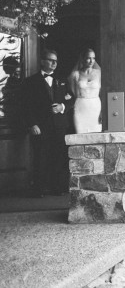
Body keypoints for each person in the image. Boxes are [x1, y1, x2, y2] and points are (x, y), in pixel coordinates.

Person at [20, 48, 72, 197]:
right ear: (42, 61)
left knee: (58, 156)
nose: (54, 63)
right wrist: (32, 124)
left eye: (56, 61)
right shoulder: (30, 82)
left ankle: (57, 187)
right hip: (40, 126)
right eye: (51, 60)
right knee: (40, 157)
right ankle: (39, 189)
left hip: (59, 125)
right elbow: (25, 106)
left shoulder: (61, 80)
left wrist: (63, 107)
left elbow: (72, 99)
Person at [68, 48, 101, 134]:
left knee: (96, 134)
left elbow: (103, 93)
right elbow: (72, 92)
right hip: (80, 106)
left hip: (96, 107)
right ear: (82, 59)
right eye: (88, 58)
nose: (91, 61)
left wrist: (103, 111)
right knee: (80, 133)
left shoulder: (99, 73)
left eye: (93, 58)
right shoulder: (75, 74)